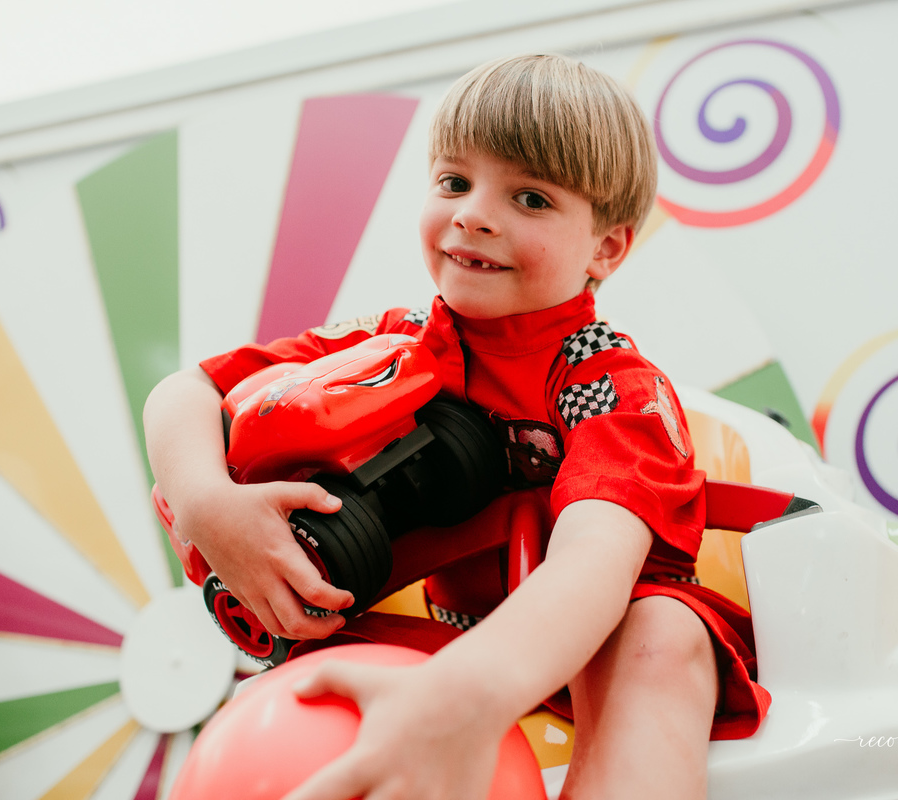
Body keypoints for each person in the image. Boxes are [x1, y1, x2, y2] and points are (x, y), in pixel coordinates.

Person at [144, 53, 768, 800]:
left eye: (531, 198)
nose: (473, 213)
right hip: (436, 631)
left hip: (587, 641)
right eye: (454, 183)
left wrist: (467, 694)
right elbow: (187, 391)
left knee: (663, 634)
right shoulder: (391, 344)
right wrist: (207, 504)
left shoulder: (609, 387)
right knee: (313, 663)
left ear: (606, 247)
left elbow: (595, 563)